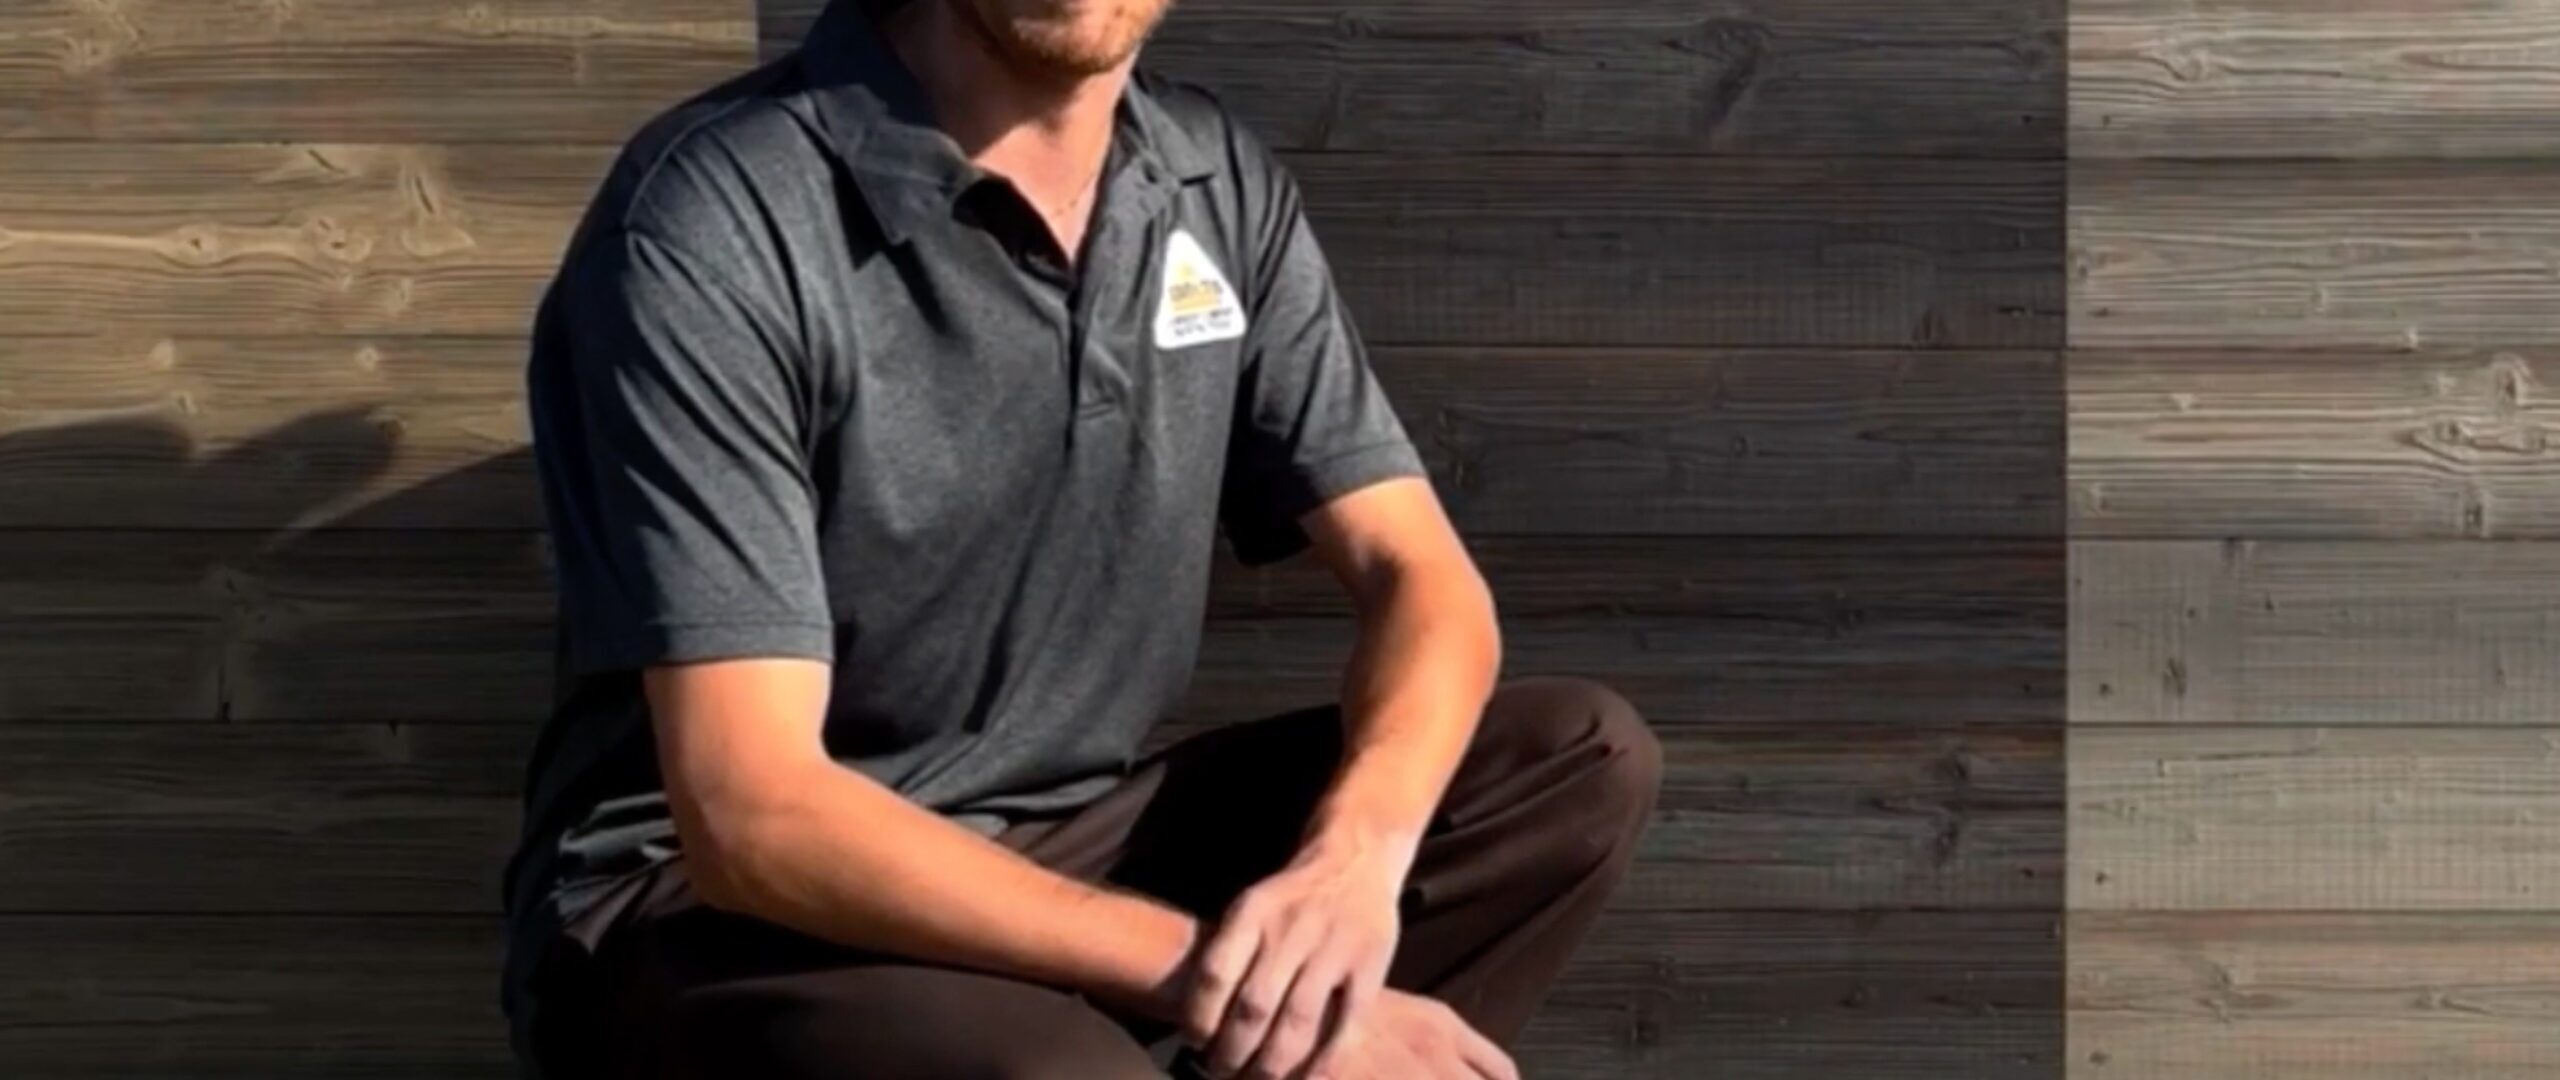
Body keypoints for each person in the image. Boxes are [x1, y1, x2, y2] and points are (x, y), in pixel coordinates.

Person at [499, 0, 1662, 1076]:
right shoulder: (718, 216)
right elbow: (750, 818)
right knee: (1060, 1073)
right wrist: (1224, 981)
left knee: (1572, 759)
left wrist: (1351, 867)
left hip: (1064, 842)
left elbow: (1420, 580)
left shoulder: (1209, 179)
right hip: (707, 920)